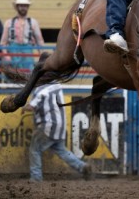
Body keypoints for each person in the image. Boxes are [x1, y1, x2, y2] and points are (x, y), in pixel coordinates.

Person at [23, 53, 91, 182]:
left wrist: (22, 107)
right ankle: (82, 167)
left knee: (34, 148)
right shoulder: (57, 84)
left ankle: (36, 177)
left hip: (48, 125)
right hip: (59, 125)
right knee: (62, 151)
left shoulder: (41, 89)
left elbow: (32, 105)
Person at [0, 0, 45, 70]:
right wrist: (7, 56)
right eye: (21, 5)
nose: (23, 8)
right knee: (12, 77)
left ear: (28, 7)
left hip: (28, 56)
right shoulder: (8, 23)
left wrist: (41, 57)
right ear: (17, 7)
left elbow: (40, 42)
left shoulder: (33, 23)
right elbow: (3, 43)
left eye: (25, 6)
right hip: (12, 55)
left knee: (28, 77)